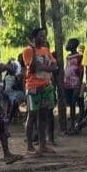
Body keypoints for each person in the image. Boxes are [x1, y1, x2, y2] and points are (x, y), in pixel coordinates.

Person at [22, 26, 58, 157]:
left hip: (45, 86)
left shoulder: (45, 50)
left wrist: (46, 68)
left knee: (43, 116)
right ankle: (30, 146)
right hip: (33, 88)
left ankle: (42, 145)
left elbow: (54, 65)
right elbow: (32, 68)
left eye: (44, 36)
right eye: (41, 36)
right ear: (34, 37)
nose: (44, 38)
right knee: (31, 116)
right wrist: (47, 67)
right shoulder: (28, 51)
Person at [62, 38, 83, 131]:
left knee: (75, 103)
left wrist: (79, 85)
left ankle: (76, 125)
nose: (68, 45)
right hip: (67, 83)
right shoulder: (68, 56)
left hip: (76, 83)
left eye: (70, 43)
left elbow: (81, 71)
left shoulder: (79, 56)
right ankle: (72, 125)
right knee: (71, 104)